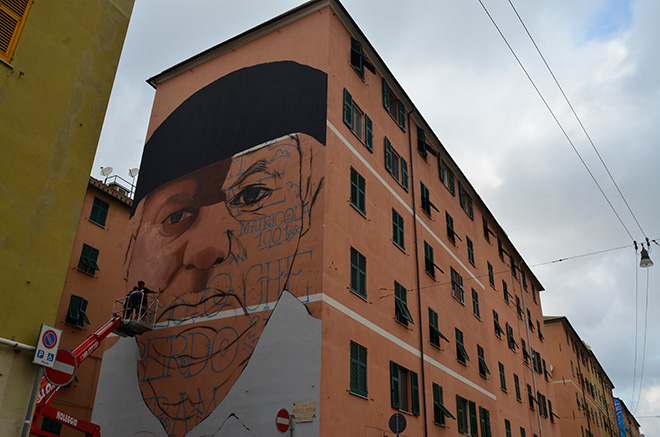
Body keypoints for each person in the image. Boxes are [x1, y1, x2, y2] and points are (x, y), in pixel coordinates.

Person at [94, 61, 327, 436]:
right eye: (176, 216)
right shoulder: (111, 367)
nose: (207, 250)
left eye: (253, 195)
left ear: (307, 214)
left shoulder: (319, 357)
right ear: (128, 251)